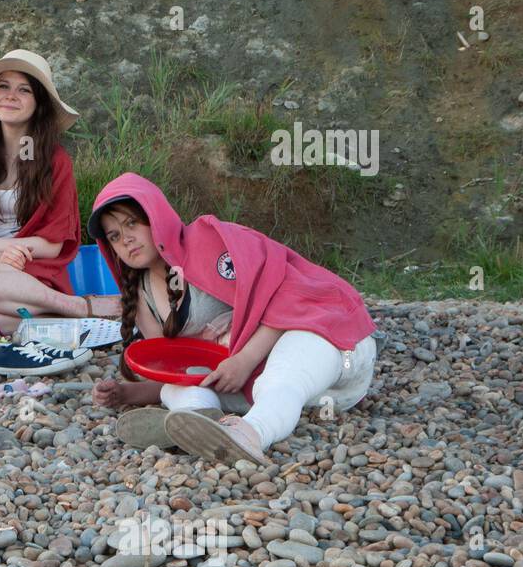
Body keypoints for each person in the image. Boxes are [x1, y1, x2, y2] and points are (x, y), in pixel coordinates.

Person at [88, 173, 377, 464]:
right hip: (262, 394)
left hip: (334, 351)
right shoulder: (141, 295)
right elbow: (180, 370)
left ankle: (250, 434)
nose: (125, 239)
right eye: (114, 236)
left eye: (131, 223)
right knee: (182, 387)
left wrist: (245, 358)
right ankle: (198, 423)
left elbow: (291, 293)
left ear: (156, 215)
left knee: (283, 372)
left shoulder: (213, 238)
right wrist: (128, 392)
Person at [0, 49, 119, 376]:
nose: (11, 96)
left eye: (24, 89)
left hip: (37, 269)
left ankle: (77, 306)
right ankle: (64, 321)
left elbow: (52, 244)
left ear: (38, 103)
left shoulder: (55, 161)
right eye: (3, 86)